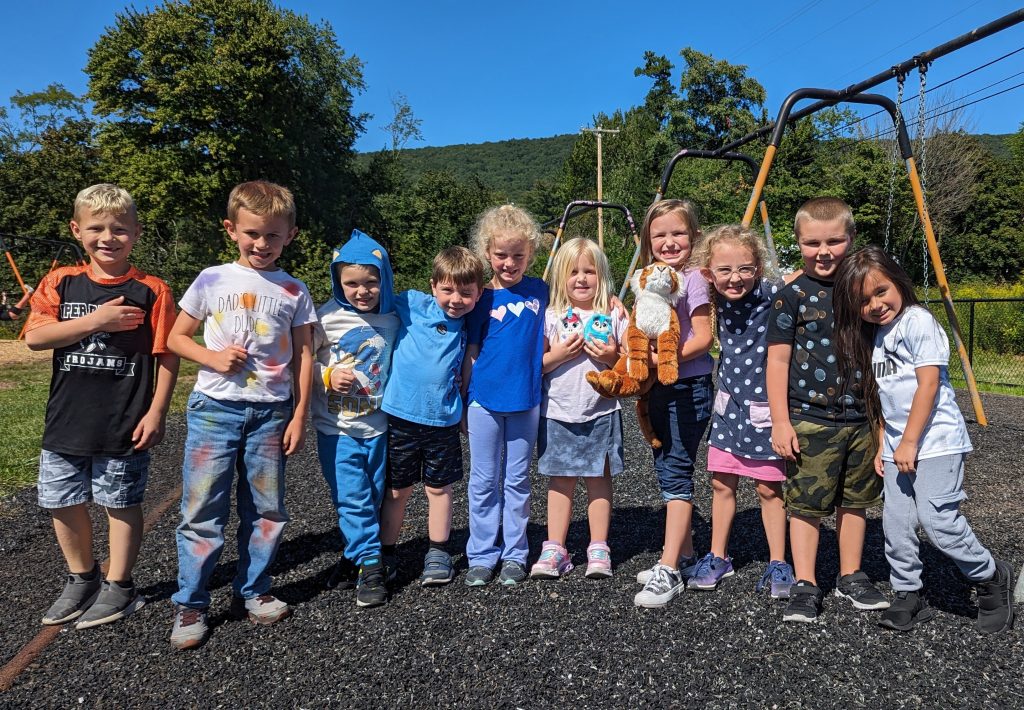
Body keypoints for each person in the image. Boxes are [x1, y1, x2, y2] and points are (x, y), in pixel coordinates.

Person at [833, 245, 1014, 633]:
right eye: (863, 301)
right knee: (896, 523)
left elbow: (928, 384)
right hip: (901, 446)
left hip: (936, 442)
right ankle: (908, 593)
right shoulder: (878, 336)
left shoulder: (917, 321)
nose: (876, 304)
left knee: (938, 522)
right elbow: (881, 398)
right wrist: (886, 443)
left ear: (898, 282)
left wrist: (910, 441)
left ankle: (990, 575)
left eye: (881, 291)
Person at [167, 180, 315, 649]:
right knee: (201, 509)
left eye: (273, 235)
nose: (262, 244)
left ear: (290, 235)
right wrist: (210, 359)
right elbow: (176, 337)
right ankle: (192, 602)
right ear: (231, 229)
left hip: (272, 413)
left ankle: (253, 591)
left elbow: (305, 355)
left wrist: (299, 415)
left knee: (267, 509)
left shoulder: (294, 290)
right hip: (215, 410)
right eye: (252, 233)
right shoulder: (212, 279)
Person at [25, 183, 178, 629]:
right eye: (96, 228)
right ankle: (81, 577)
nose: (107, 237)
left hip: (124, 420)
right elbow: (35, 337)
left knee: (120, 502)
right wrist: (96, 320)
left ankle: (120, 586)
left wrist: (157, 411)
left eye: (120, 229)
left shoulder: (152, 290)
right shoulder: (62, 282)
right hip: (66, 419)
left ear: (137, 233)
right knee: (59, 500)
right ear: (77, 230)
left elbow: (167, 354)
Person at [766, 197, 888, 623]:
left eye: (835, 241)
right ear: (798, 242)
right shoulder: (791, 296)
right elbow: (777, 361)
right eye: (813, 242)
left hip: (862, 417)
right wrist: (780, 421)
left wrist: (884, 426)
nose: (824, 251)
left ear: (851, 239)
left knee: (856, 501)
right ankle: (804, 581)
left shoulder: (865, 291)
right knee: (806, 504)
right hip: (810, 418)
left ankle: (851, 574)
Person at [689, 224, 794, 597]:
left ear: (758, 269)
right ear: (709, 273)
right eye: (725, 270)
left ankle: (779, 560)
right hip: (729, 406)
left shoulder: (771, 293)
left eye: (745, 268)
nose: (736, 278)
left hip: (765, 408)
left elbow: (801, 280)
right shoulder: (712, 296)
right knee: (721, 483)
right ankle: (718, 554)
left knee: (769, 487)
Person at [379, 246, 484, 587]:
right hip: (401, 418)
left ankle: (438, 551)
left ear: (478, 294)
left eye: (466, 293)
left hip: (443, 421)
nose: (456, 299)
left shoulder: (473, 319)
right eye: (447, 290)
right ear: (433, 286)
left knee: (440, 489)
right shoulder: (412, 303)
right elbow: (373, 290)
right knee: (397, 490)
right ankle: (386, 553)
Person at [632, 199, 714, 609]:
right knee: (666, 464)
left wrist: (661, 359)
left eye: (678, 233)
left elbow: (703, 337)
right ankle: (684, 554)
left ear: (694, 236)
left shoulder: (694, 278)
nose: (669, 242)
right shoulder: (651, 279)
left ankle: (668, 570)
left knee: (678, 470)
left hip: (687, 386)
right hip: (660, 387)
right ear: (648, 241)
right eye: (659, 234)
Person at [530, 237, 627, 581]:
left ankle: (598, 546)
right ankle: (555, 546)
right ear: (560, 276)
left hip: (601, 410)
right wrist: (556, 356)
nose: (581, 279)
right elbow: (535, 364)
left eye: (590, 271)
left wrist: (611, 357)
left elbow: (629, 364)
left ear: (602, 276)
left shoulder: (613, 313)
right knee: (561, 480)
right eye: (573, 272)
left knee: (599, 478)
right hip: (557, 410)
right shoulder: (552, 315)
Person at [312, 229, 399, 607]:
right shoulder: (325, 318)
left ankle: (353, 557)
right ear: (337, 281)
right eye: (351, 284)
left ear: (385, 280)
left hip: (379, 427)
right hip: (337, 428)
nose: (361, 291)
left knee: (375, 496)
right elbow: (303, 363)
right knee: (352, 498)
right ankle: (371, 565)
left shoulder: (395, 318)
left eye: (371, 282)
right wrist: (327, 375)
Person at [462, 204, 548, 587]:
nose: (509, 263)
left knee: (517, 481)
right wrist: (466, 398)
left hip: (526, 399)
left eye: (518, 255)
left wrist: (610, 303)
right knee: (482, 481)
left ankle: (515, 552)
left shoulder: (540, 291)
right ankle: (481, 553)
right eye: (501, 255)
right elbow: (471, 352)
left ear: (530, 254)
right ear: (487, 253)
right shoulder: (479, 298)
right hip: (483, 402)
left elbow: (576, 306)